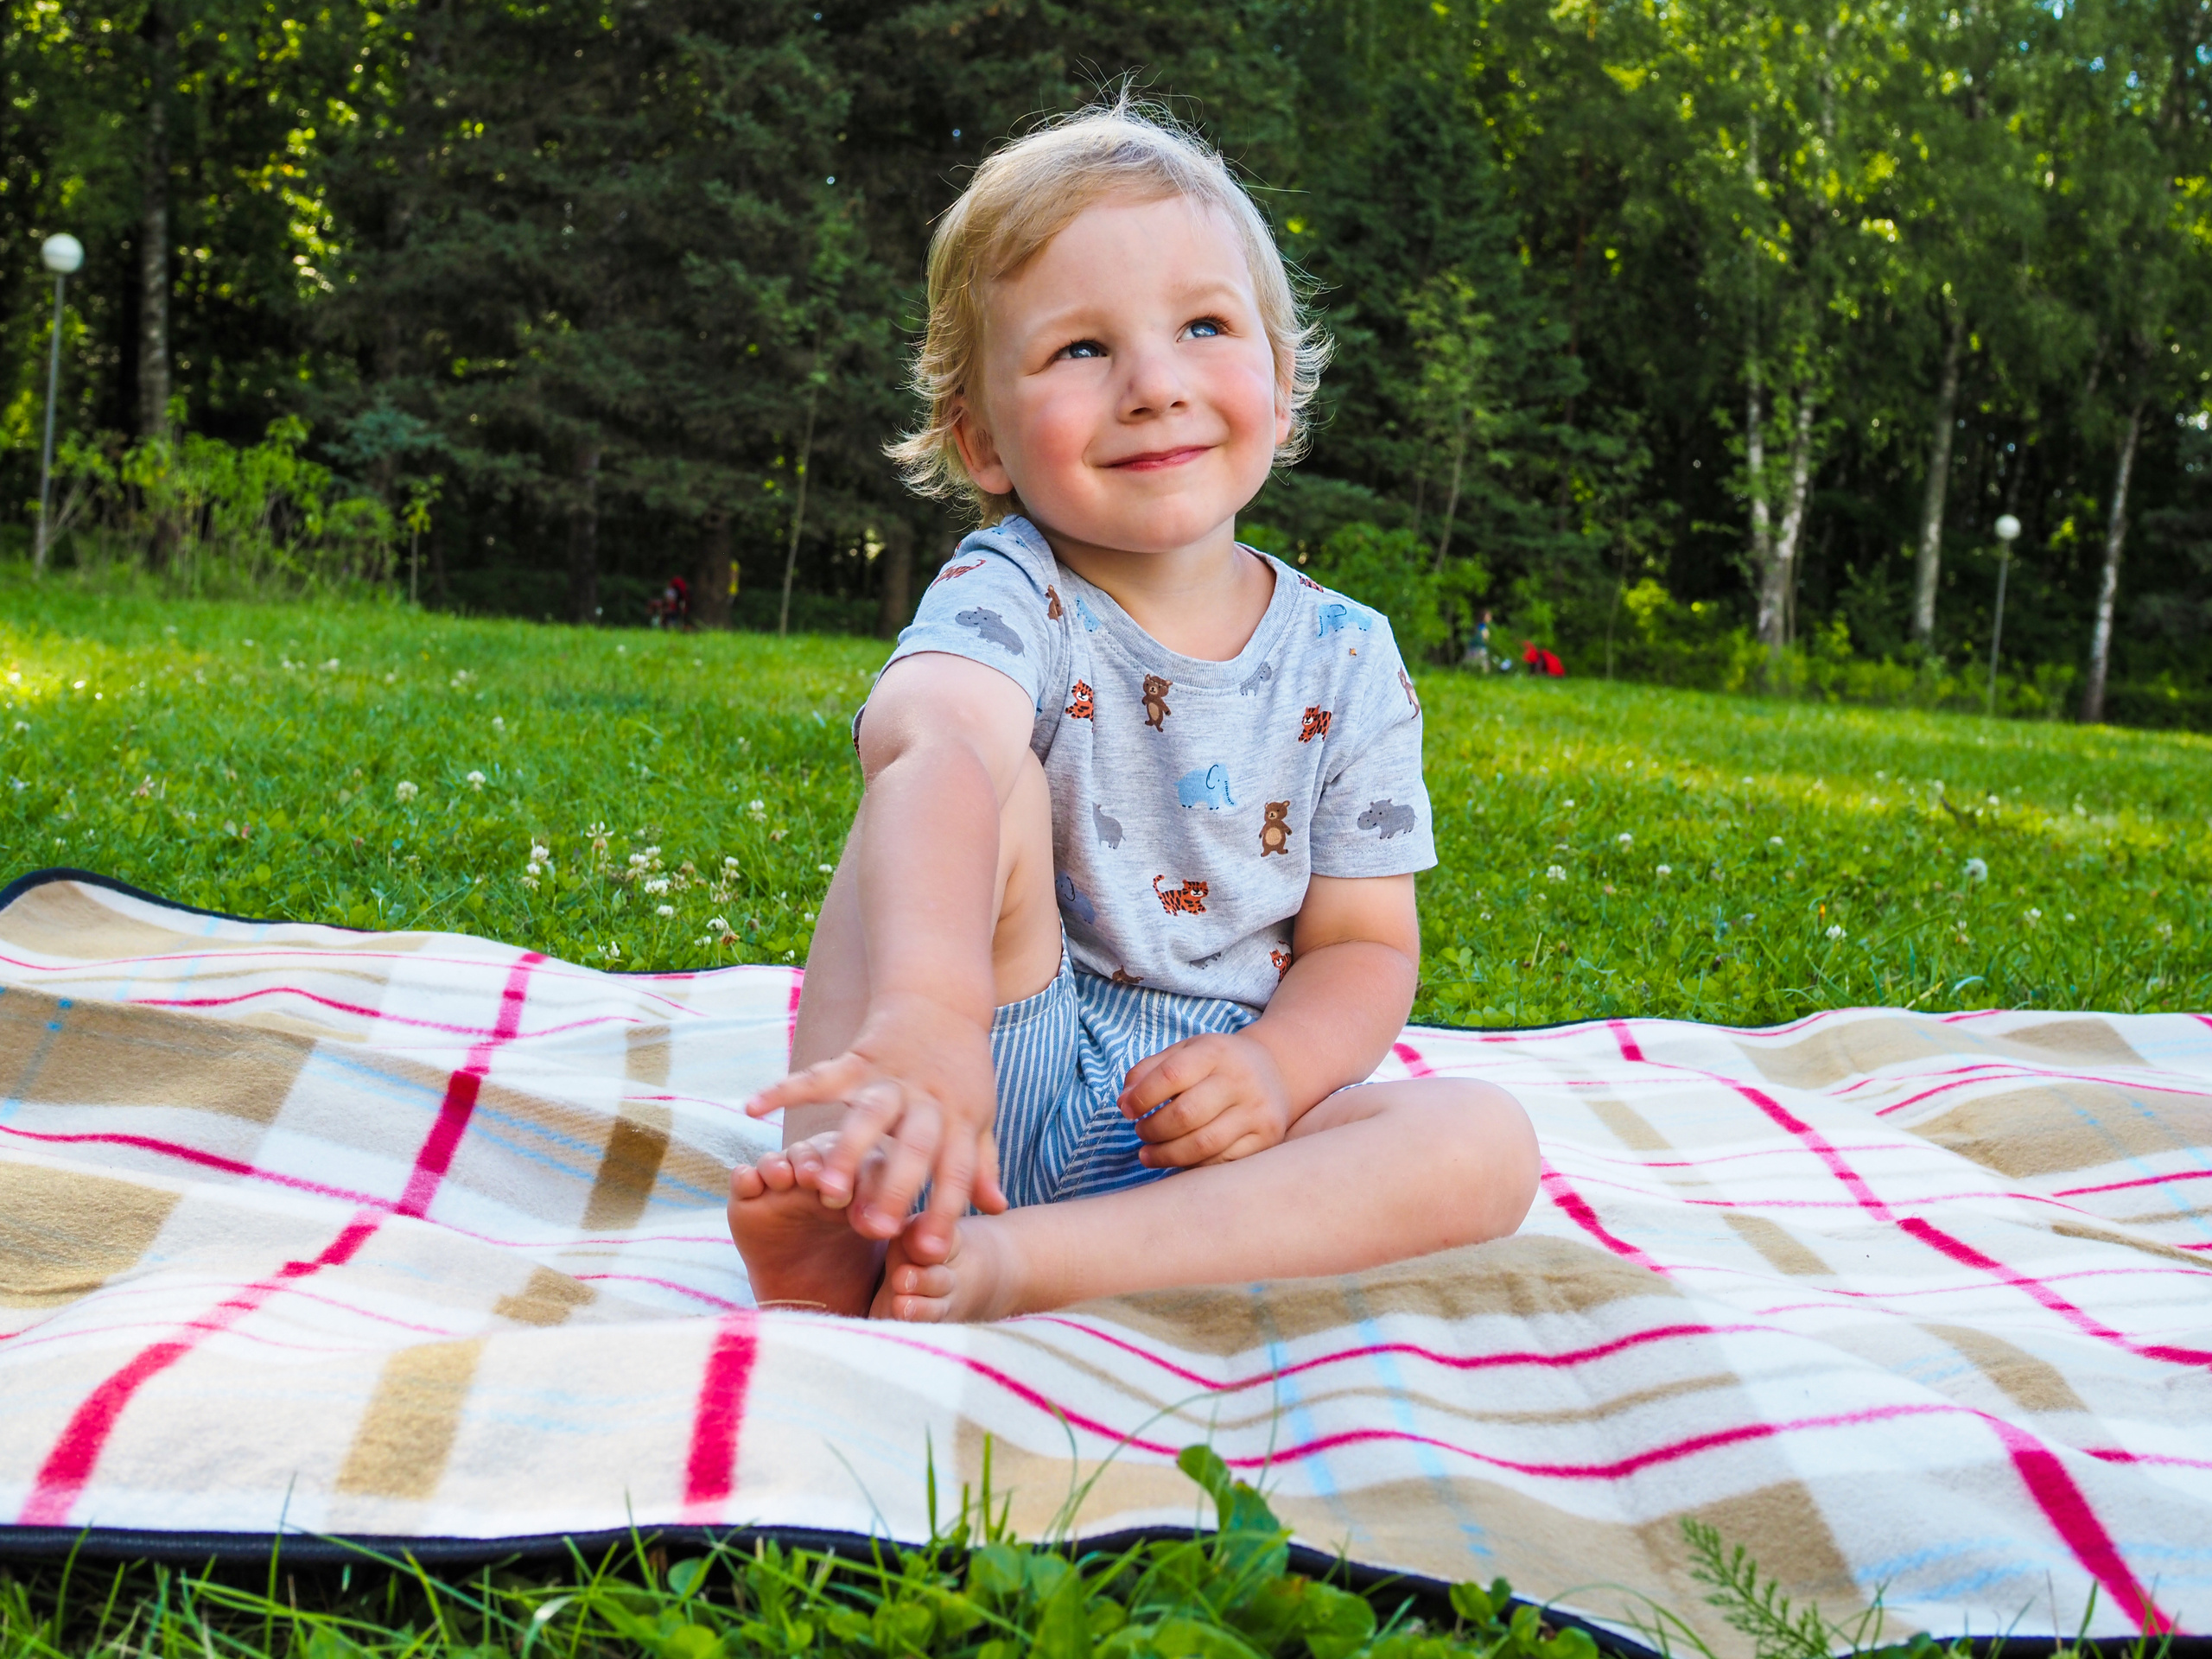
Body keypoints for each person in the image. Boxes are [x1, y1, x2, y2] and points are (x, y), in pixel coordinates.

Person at [728, 101, 1539, 1324]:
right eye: (1081, 349)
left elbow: (1365, 948)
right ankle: (863, 1199)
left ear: (1280, 380)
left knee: (1484, 1142)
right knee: (957, 781)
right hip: (982, 1064)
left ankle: (1019, 1264)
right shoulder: (1012, 592)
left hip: (1213, 1132)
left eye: (1204, 326)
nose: (1155, 386)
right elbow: (929, 742)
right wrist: (930, 1018)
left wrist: (1276, 1069)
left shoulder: (1347, 657)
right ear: (981, 441)